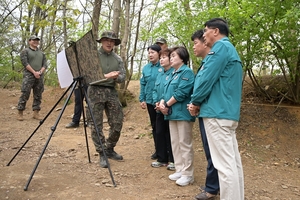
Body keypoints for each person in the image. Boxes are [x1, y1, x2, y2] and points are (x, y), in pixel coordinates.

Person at [189, 18, 244, 200]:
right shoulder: (231, 50)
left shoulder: (220, 48)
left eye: (205, 31)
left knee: (224, 166)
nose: (203, 35)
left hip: (216, 113)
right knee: (233, 164)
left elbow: (205, 79)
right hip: (227, 113)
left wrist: (195, 102)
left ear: (215, 31)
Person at [188, 29, 219, 200]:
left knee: (214, 152)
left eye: (195, 43)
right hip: (205, 111)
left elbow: (205, 87)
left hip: (213, 113)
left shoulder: (213, 62)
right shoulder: (206, 63)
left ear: (205, 43)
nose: (194, 47)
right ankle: (213, 185)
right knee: (209, 151)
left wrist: (195, 103)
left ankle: (212, 189)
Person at [88, 30, 126, 168]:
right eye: (106, 40)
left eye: (112, 41)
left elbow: (122, 77)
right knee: (96, 125)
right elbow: (89, 76)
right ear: (102, 41)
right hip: (95, 91)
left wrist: (116, 77)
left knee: (117, 123)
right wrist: (107, 75)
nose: (109, 43)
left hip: (111, 91)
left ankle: (109, 148)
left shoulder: (118, 59)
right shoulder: (94, 56)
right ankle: (102, 153)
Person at [159, 46, 195, 186]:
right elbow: (164, 92)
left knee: (184, 143)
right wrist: (162, 104)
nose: (171, 58)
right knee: (175, 143)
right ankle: (180, 169)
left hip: (182, 113)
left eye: (174, 56)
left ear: (183, 58)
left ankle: (188, 174)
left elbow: (181, 93)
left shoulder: (187, 72)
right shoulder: (172, 73)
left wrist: (166, 105)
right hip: (171, 113)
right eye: (171, 56)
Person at [151, 48, 175, 170]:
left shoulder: (174, 73)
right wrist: (156, 102)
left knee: (170, 134)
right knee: (159, 132)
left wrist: (165, 104)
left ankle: (172, 159)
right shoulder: (160, 74)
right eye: (160, 58)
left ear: (171, 59)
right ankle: (162, 158)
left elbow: (172, 91)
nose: (161, 60)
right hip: (159, 109)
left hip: (169, 109)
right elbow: (155, 90)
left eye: (164, 57)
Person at [139, 44, 163, 160]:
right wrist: (142, 99)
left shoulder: (164, 66)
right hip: (150, 101)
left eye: (153, 52)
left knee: (162, 128)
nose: (150, 54)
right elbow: (143, 84)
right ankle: (158, 150)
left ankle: (166, 151)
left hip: (162, 102)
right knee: (154, 127)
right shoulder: (146, 68)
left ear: (159, 53)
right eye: (149, 53)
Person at [17, 35, 48, 121]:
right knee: (25, 93)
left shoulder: (42, 53)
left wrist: (40, 72)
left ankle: (36, 112)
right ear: (29, 41)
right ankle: (20, 112)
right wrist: (34, 72)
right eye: (34, 40)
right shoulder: (25, 51)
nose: (36, 42)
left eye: (37, 40)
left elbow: (45, 64)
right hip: (29, 75)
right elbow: (25, 63)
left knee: (38, 94)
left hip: (39, 75)